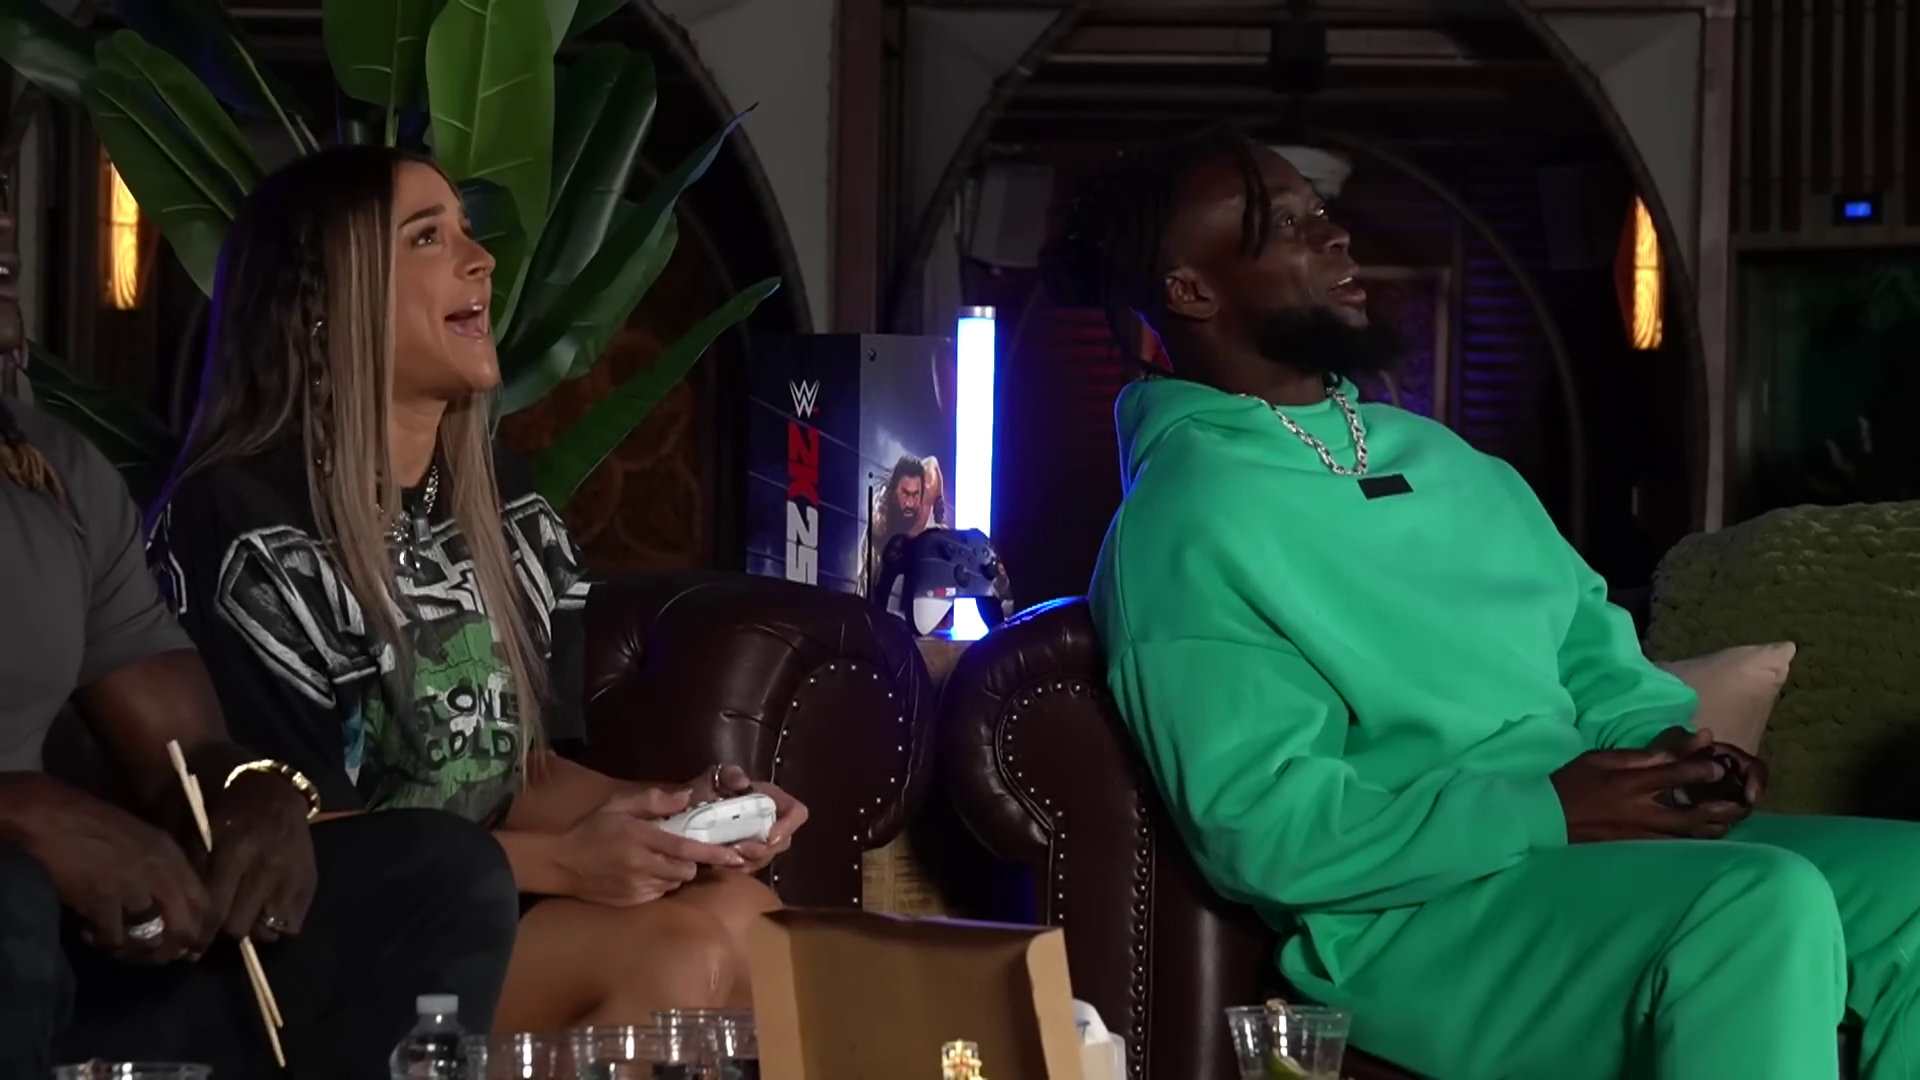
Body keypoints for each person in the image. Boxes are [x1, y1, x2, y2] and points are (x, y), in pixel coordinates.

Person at [1047, 125, 1920, 1080]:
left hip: (1591, 851)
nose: (1334, 235)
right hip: (1412, 919)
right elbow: (1262, 829)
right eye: (1283, 225)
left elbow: (1593, 654)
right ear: (1190, 290)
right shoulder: (1185, 519)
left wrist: (1670, 754)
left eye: (1320, 210)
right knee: (1758, 902)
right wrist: (1544, 809)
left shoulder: (1444, 459)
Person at [145, 145, 809, 1031]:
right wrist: (565, 864)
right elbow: (291, 838)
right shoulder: (239, 523)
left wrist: (677, 818)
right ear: (327, 299)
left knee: (752, 921)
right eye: (428, 237)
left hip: (489, 895)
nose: (482, 260)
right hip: (324, 933)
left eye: (466, 230)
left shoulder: (504, 501)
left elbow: (515, 771)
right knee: (678, 956)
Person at [0, 396, 519, 1079]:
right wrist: (24, 813)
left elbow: (187, 754)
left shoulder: (52, 469)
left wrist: (256, 792)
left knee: (442, 875)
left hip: (67, 960)